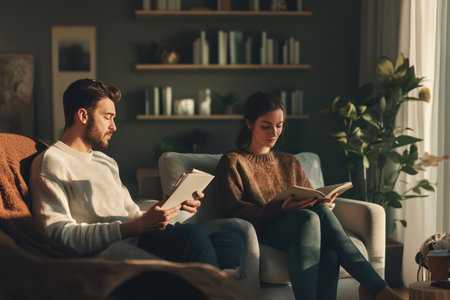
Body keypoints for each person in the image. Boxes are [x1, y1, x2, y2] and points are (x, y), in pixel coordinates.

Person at [30, 79, 242, 270]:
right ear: (83, 115)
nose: (114, 126)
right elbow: (57, 235)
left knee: (230, 240)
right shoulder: (52, 161)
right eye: (107, 117)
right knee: (192, 237)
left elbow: (131, 213)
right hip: (114, 249)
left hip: (137, 235)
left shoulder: (105, 161)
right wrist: (133, 227)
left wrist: (168, 207)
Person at [214, 91, 402, 300]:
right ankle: (377, 288)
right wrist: (281, 208)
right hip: (261, 230)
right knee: (310, 217)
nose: (274, 132)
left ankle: (375, 289)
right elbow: (231, 210)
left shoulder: (289, 162)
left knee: (327, 247)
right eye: (266, 126)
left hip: (302, 227)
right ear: (249, 123)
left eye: (280, 125)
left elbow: (310, 196)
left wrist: (323, 202)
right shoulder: (233, 161)